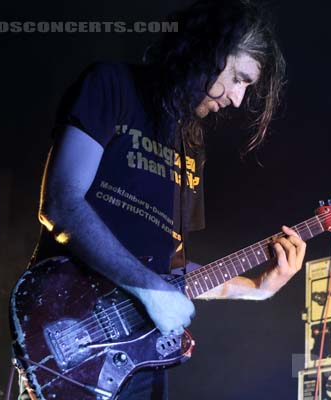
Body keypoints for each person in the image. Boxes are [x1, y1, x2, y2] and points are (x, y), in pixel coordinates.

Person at [18, 0, 306, 398]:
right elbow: (61, 203)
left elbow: (173, 272)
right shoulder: (111, 86)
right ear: (207, 49)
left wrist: (259, 287)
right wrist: (147, 289)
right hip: (72, 328)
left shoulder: (190, 142)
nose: (238, 99)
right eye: (239, 78)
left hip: (135, 354)